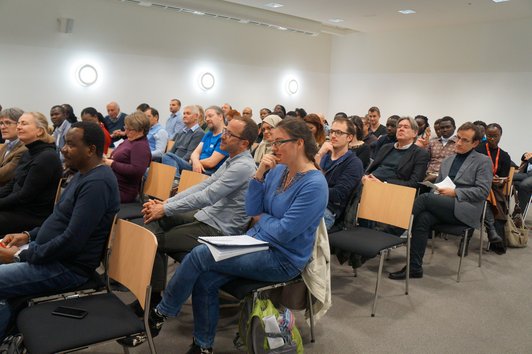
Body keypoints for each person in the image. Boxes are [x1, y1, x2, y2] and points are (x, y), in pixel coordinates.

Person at [139, 117, 328, 354]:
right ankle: (202, 345)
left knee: (200, 255)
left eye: (279, 142)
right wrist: (259, 175)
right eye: (273, 142)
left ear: (299, 143)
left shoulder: (314, 184)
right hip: (254, 241)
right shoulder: (278, 170)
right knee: (205, 278)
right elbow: (252, 210)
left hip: (283, 258)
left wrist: (263, 219)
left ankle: (161, 312)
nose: (274, 147)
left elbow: (284, 232)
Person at [0, 121, 120, 339]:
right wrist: (27, 236)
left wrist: (22, 254)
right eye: (65, 143)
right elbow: (57, 219)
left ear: (91, 150)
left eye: (71, 145)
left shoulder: (97, 183)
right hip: (49, 254)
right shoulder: (83, 173)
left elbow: (72, 241)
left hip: (67, 267)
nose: (63, 149)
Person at [138, 117, 258, 301]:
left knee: (153, 242)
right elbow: (203, 186)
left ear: (244, 143)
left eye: (229, 134)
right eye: (225, 131)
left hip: (218, 229)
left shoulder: (243, 167)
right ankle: (150, 290)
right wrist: (164, 204)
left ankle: (152, 300)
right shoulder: (232, 160)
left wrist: (166, 208)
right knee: (154, 219)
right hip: (207, 216)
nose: (223, 136)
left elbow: (207, 196)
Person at [389, 123, 492, 279]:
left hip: (465, 209)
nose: (458, 143)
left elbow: (482, 191)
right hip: (444, 205)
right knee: (423, 218)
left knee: (423, 199)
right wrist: (437, 191)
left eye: (465, 140)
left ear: (475, 143)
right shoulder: (448, 160)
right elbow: (438, 185)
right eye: (458, 138)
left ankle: (392, 232)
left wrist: (455, 192)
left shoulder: (483, 161)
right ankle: (414, 268)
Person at [0, 112, 62, 236]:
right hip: (17, 209)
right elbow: (12, 185)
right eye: (18, 123)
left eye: (24, 123)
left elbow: (24, 196)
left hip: (32, 216)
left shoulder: (47, 157)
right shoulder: (29, 153)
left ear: (39, 131)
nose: (18, 127)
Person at [316, 117, 363, 230]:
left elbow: (338, 195)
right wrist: (319, 155)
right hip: (312, 201)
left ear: (349, 137)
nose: (333, 136)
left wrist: (312, 188)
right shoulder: (324, 155)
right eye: (332, 131)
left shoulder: (354, 163)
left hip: (328, 211)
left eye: (339, 132)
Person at [163, 106, 228, 179]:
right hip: (196, 166)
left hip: (209, 172)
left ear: (220, 116)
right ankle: (176, 181)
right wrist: (195, 161)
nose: (207, 119)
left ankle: (175, 181)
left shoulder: (226, 136)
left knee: (168, 158)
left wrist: (194, 161)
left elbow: (211, 162)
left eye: (210, 116)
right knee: (168, 156)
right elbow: (195, 153)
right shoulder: (209, 134)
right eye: (206, 117)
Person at [364, 117, 429, 188]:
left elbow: (414, 183)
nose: (401, 129)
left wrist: (384, 183)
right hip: (370, 182)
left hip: (392, 190)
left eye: (406, 127)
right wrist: (366, 177)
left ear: (415, 133)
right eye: (399, 127)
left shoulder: (420, 154)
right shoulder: (386, 147)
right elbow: (372, 169)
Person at [103, 112, 151, 203]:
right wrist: (107, 158)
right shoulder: (129, 140)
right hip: (112, 184)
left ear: (140, 130)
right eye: (126, 128)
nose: (126, 132)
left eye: (130, 129)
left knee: (89, 192)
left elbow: (137, 171)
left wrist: (112, 163)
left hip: (122, 190)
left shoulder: (141, 146)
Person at [476, 123, 511, 244]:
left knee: (486, 194)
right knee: (485, 193)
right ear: (485, 135)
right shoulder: (478, 150)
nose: (492, 138)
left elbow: (504, 179)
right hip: (476, 184)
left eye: (495, 136)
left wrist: (500, 180)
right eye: (489, 135)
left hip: (494, 189)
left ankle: (491, 229)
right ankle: (491, 229)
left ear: (500, 135)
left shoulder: (504, 156)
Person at [161, 105, 205, 171]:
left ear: (196, 116)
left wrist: (173, 163)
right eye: (184, 113)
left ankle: (175, 178)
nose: (184, 116)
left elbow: (189, 155)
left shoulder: (199, 133)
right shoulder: (181, 131)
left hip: (185, 163)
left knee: (166, 156)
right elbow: (172, 151)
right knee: (148, 171)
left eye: (188, 113)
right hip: (173, 161)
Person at [425, 116, 457, 182]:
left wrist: (437, 176)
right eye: (442, 128)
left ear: (454, 128)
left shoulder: (458, 144)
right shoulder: (432, 142)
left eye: (448, 127)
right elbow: (425, 159)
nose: (445, 129)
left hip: (446, 178)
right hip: (428, 175)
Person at [0, 108, 26, 186]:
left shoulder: (24, 148)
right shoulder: (5, 146)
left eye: (8, 123)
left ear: (20, 125)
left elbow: (4, 175)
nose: (2, 127)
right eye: (1, 123)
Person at [513, 152, 532, 216]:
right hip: (526, 178)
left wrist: (530, 158)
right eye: (527, 154)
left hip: (529, 176)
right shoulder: (527, 163)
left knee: (510, 177)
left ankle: (518, 214)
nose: (529, 153)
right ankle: (517, 214)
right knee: (513, 183)